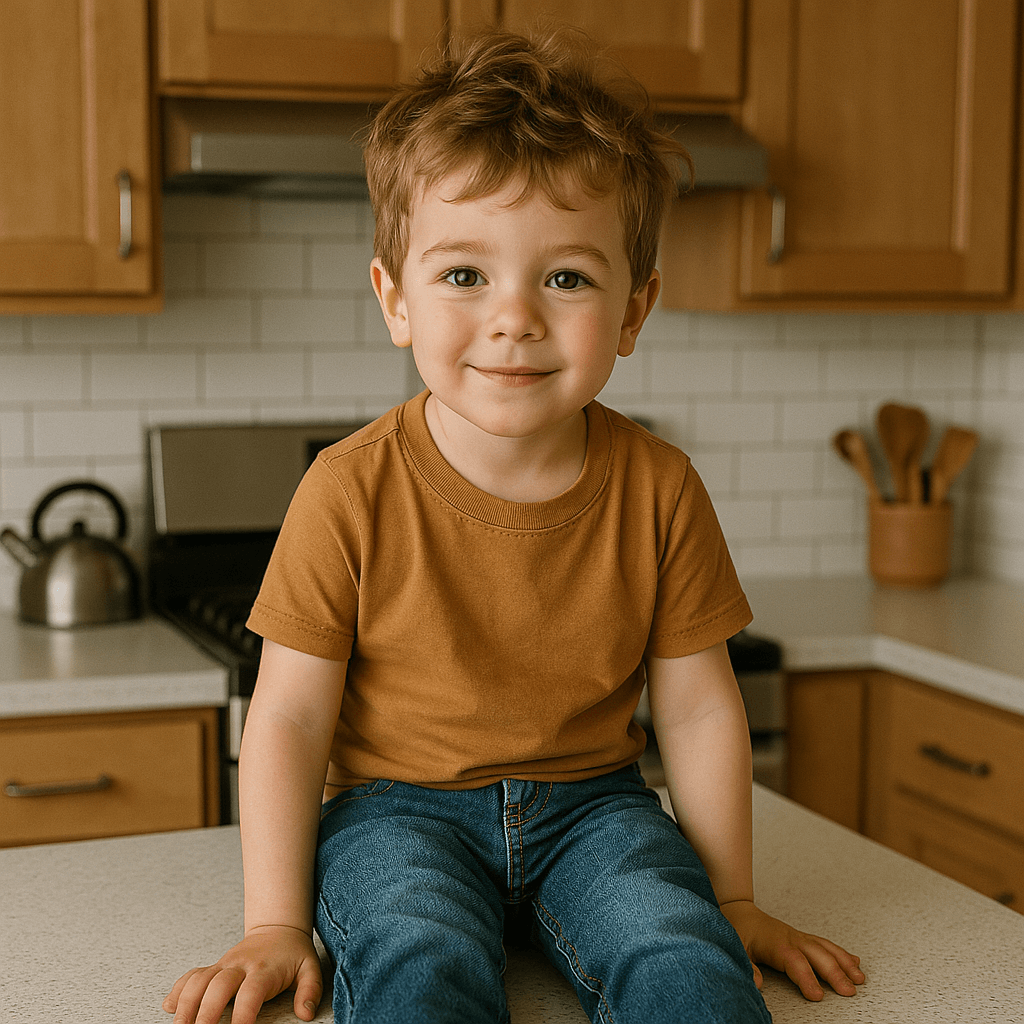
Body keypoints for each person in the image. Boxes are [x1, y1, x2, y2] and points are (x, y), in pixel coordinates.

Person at [163, 28, 864, 1024]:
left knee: (682, 947)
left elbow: (701, 709)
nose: (514, 317)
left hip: (598, 809)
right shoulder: (345, 488)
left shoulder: (659, 486)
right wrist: (275, 923)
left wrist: (733, 898)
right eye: (463, 276)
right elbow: (285, 718)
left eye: (567, 278)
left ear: (634, 311)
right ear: (394, 298)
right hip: (394, 814)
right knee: (417, 952)